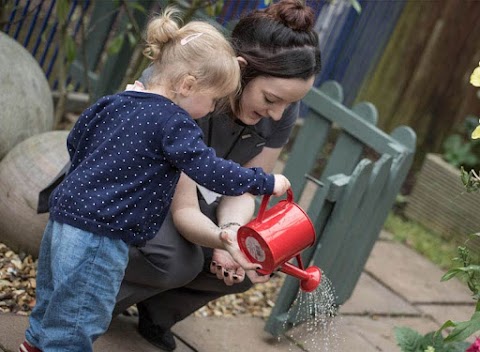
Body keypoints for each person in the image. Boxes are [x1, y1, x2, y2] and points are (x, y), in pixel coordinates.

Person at [19, 7, 291, 352]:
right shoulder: (174, 123)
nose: (211, 110)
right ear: (187, 84)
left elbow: (77, 140)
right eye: (212, 100)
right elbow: (208, 169)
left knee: (53, 301)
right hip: (102, 235)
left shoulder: (117, 101)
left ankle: (34, 344)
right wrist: (264, 182)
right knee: (80, 319)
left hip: (64, 220)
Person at [113, 1, 322, 351]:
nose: (278, 113)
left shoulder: (280, 110)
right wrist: (224, 239)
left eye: (289, 104)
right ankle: (88, 303)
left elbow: (245, 185)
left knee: (256, 259)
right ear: (242, 71)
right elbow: (182, 206)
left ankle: (158, 310)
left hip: (194, 201)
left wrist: (236, 236)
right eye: (271, 98)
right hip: (133, 188)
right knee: (177, 259)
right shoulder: (189, 85)